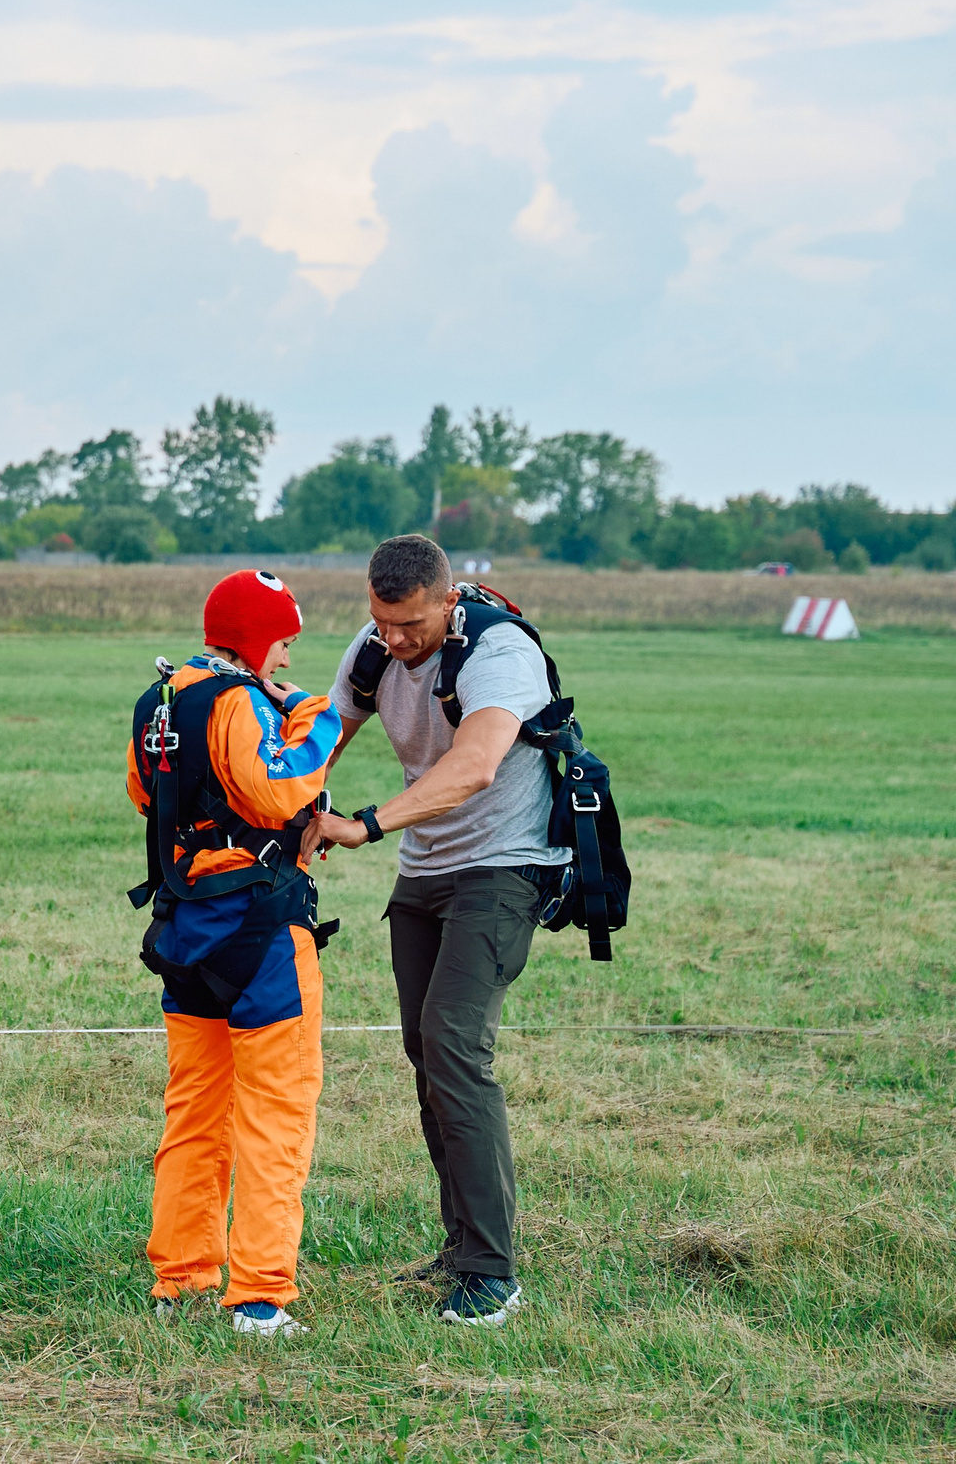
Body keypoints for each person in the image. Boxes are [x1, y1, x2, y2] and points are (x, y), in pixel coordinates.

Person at [309, 534, 567, 1328]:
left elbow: (477, 763)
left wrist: (365, 823)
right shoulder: (374, 647)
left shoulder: (497, 651)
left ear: (447, 601)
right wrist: (286, 801)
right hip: (426, 871)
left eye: (411, 625)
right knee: (425, 1049)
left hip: (504, 865)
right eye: (382, 622)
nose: (395, 639)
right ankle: (461, 1249)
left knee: (455, 1041)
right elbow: (326, 735)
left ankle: (493, 1273)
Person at [125, 569, 342, 1338]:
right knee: (275, 1116)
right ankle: (257, 1295)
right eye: (282, 640)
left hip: (184, 930)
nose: (287, 656)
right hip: (261, 935)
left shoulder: (159, 701)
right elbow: (279, 791)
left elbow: (145, 795)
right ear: (255, 638)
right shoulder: (239, 701)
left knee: (194, 1112)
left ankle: (178, 1278)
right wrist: (319, 719)